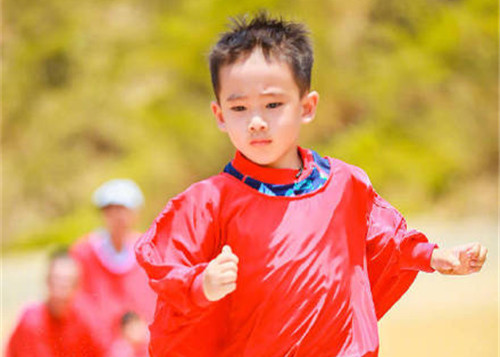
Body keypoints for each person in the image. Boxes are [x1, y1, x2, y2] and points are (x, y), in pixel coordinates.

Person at [134, 13, 488, 357]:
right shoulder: (207, 202)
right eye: (239, 108)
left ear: (307, 106)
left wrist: (436, 257)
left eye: (273, 104)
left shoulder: (345, 184)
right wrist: (202, 283)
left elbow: (386, 243)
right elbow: (167, 267)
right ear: (219, 115)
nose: (256, 121)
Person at [70, 179, 156, 353]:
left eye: (124, 210)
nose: (118, 217)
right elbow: (79, 301)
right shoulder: (84, 252)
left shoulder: (147, 249)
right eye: (111, 210)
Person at [5, 249, 102, 357]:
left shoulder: (85, 321)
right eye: (57, 280)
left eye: (67, 281)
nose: (61, 288)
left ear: (77, 285)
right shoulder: (31, 321)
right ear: (47, 281)